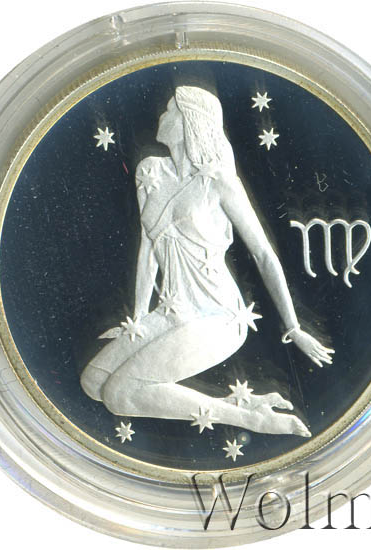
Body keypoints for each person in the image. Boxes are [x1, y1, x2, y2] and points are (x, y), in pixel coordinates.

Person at [80, 86, 333, 436]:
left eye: (171, 109)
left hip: (217, 314)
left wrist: (294, 327)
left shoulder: (220, 182)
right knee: (93, 383)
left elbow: (263, 254)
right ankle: (237, 405)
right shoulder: (150, 172)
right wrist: (139, 318)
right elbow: (148, 249)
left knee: (119, 394)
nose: (163, 114)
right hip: (173, 311)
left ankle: (252, 420)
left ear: (191, 120)